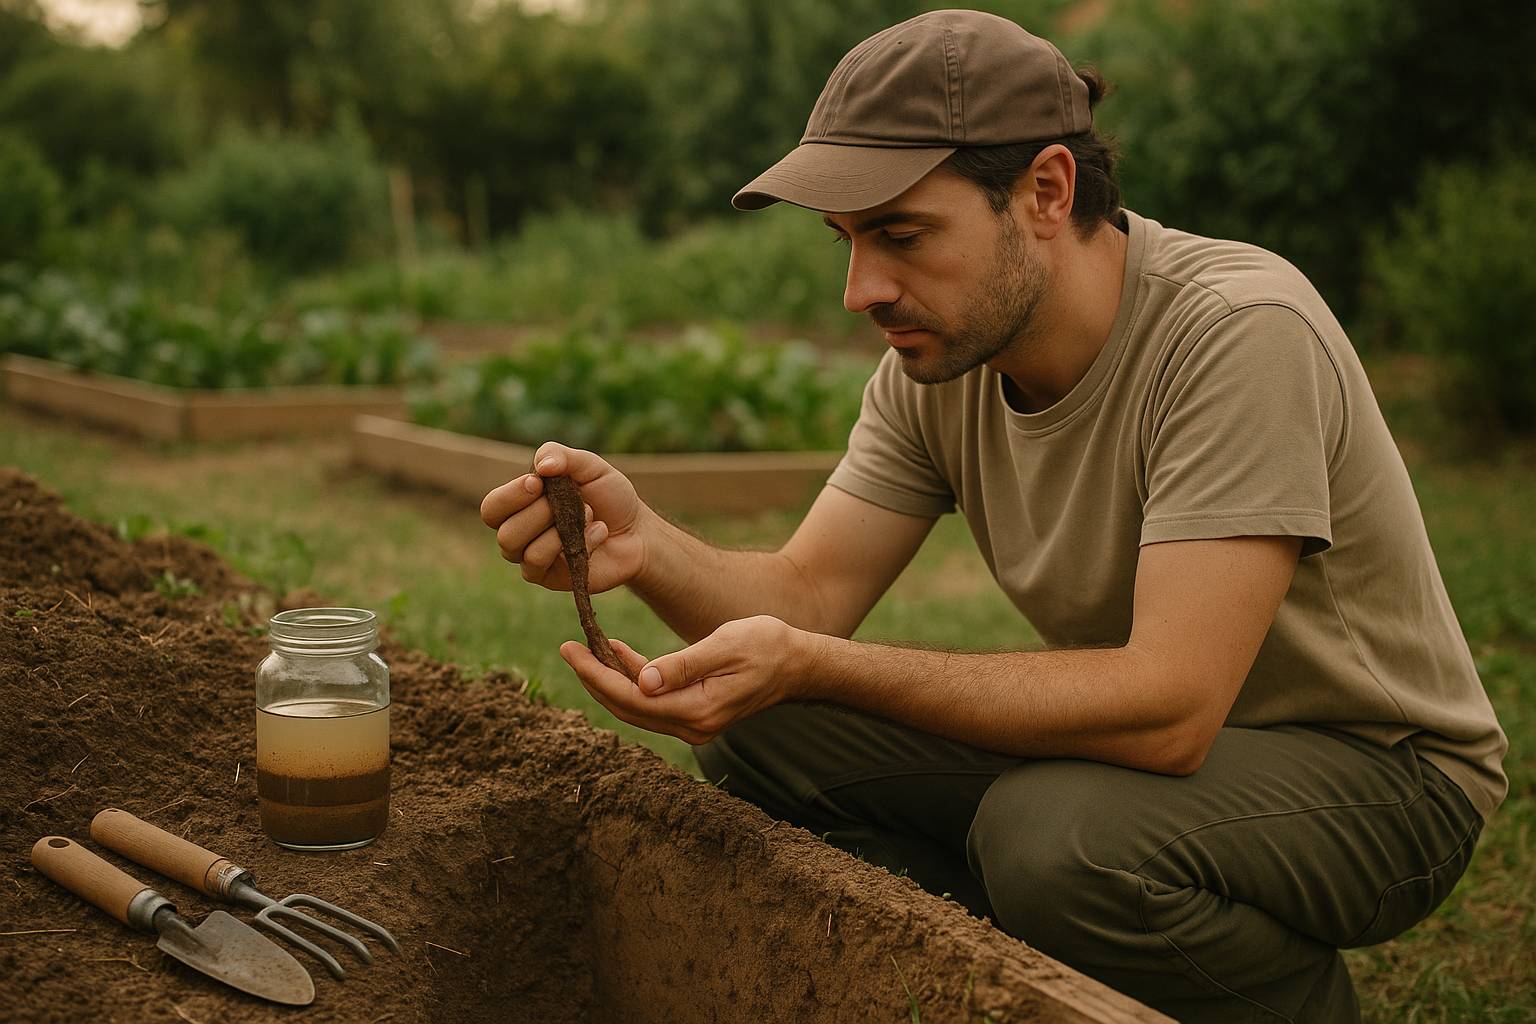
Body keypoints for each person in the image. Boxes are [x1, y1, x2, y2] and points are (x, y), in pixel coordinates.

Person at [479, 10, 1506, 1022]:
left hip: (1380, 775)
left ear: (1047, 191)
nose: (861, 288)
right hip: (1153, 755)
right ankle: (990, 989)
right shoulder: (938, 360)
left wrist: (815, 660)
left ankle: (1284, 1002)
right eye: (845, 241)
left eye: (901, 234)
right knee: (769, 729)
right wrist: (647, 544)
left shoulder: (1238, 333)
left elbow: (1170, 704)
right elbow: (808, 594)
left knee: (1056, 838)